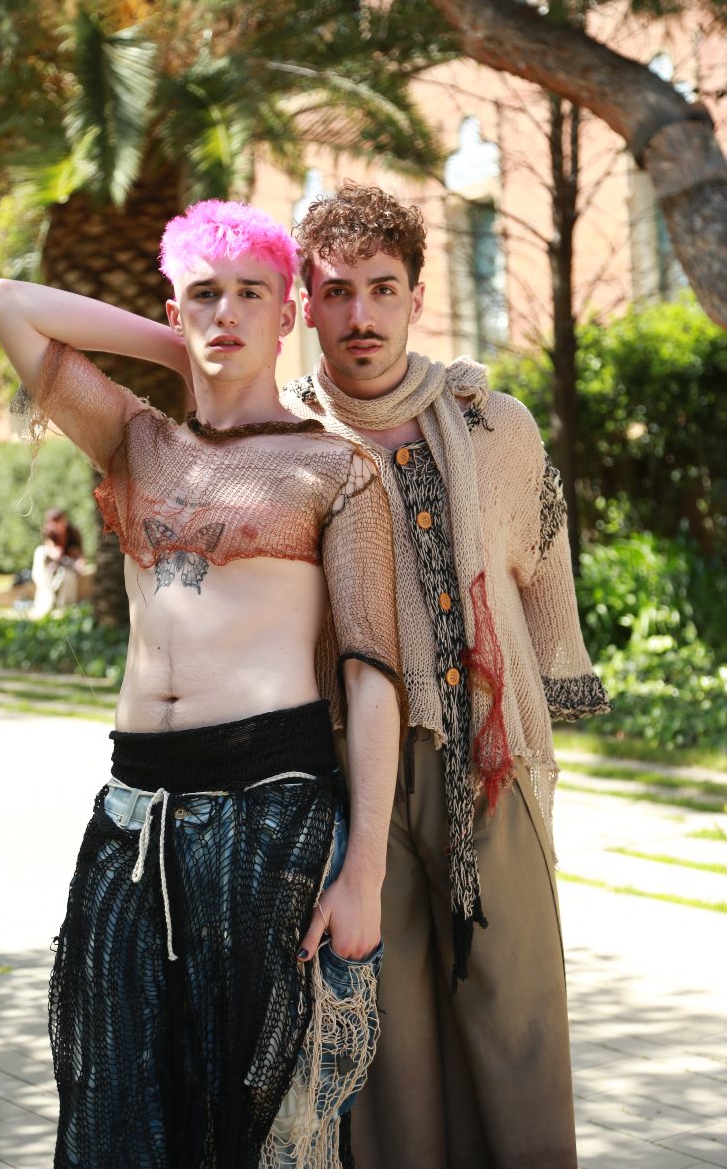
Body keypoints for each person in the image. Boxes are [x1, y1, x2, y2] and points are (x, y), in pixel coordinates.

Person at [0, 198, 404, 1169]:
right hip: (134, 816)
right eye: (205, 296)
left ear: (287, 313)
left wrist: (363, 873)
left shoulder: (334, 468)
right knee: (118, 1111)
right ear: (176, 310)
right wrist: (178, 349)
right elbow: (11, 303)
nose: (227, 313)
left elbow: (372, 675)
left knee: (261, 1128)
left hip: (271, 813)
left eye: (250, 295)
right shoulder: (135, 441)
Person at [282, 182, 610, 1169]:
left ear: (417, 297)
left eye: (382, 289)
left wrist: (553, 693)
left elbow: (543, 565)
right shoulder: (282, 443)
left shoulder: (496, 426)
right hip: (349, 774)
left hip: (490, 762)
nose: (361, 314)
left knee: (517, 1023)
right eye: (336, 292)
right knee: (387, 1040)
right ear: (304, 305)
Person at [30, 506, 86, 616]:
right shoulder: (49, 532)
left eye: (58, 521)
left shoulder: (73, 532)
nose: (56, 525)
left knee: (67, 575)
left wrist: (80, 563)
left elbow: (81, 554)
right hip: (54, 565)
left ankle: (63, 606)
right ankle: (46, 601)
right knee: (40, 552)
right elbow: (50, 549)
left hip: (69, 566)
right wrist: (53, 552)